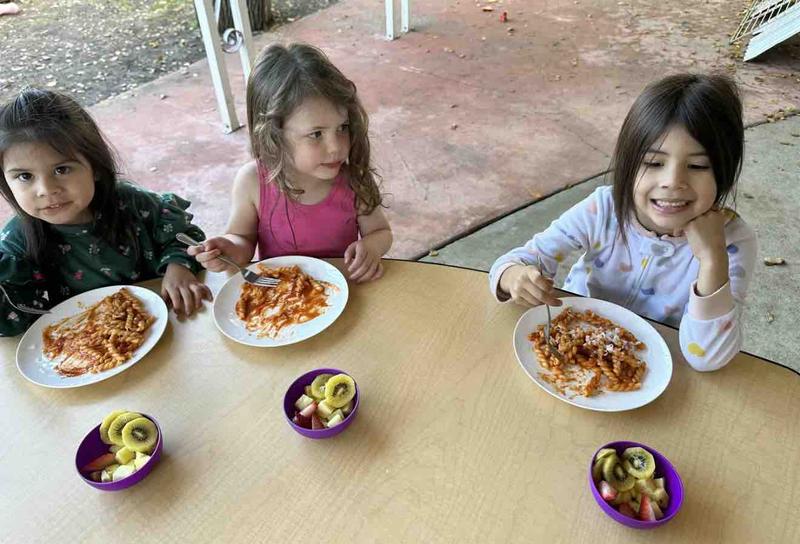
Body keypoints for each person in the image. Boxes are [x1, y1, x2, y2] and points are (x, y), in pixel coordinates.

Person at [490, 74, 756, 371]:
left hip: (658, 368)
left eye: (696, 166)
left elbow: (708, 357)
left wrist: (712, 260)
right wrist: (514, 276)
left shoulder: (731, 241)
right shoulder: (604, 208)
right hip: (574, 343)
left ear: (724, 172)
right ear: (629, 163)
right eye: (654, 163)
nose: (672, 182)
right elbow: (519, 260)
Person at [0, 88, 211, 336]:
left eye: (62, 170)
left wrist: (178, 265)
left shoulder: (132, 203)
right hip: (88, 350)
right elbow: (17, 319)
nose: (46, 190)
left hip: (169, 325)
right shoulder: (16, 244)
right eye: (25, 176)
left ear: (96, 167)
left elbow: (183, 234)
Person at [188, 43, 392, 283]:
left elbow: (381, 232)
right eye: (316, 134)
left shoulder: (354, 180)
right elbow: (241, 240)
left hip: (347, 291)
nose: (336, 146)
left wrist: (372, 246)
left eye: (342, 128)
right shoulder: (253, 182)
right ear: (274, 136)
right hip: (282, 301)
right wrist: (227, 249)